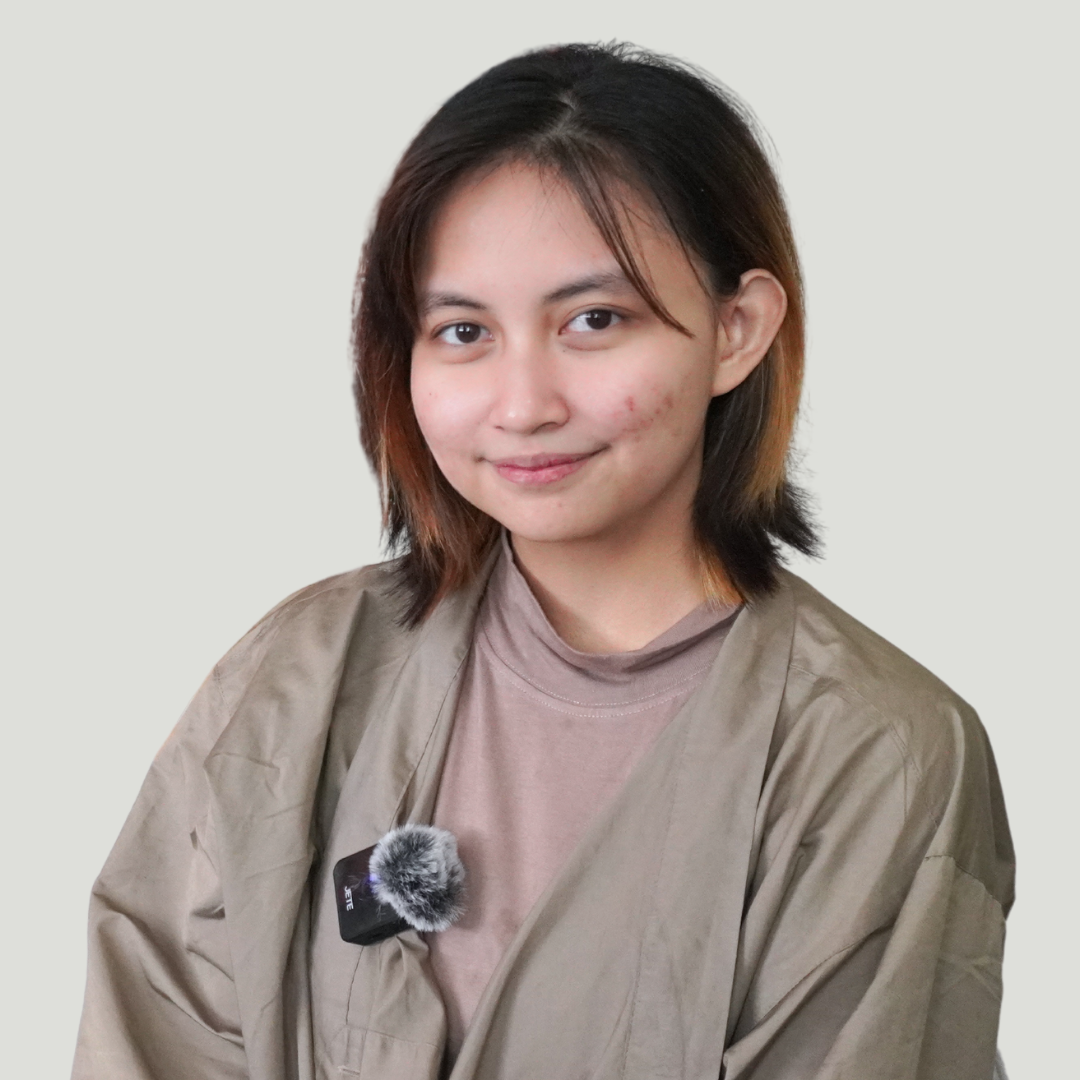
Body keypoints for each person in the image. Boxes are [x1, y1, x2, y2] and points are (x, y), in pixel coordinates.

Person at [71, 42, 1014, 1080]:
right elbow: (152, 1033)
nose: (523, 405)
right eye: (463, 331)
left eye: (594, 320)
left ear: (736, 330)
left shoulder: (876, 751)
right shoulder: (302, 672)